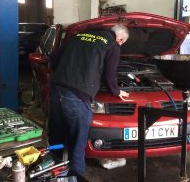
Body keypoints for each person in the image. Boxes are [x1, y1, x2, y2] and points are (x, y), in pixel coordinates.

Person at [48, 24, 130, 176]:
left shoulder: (77, 37)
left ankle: (53, 172)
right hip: (77, 96)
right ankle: (75, 176)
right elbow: (109, 75)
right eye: (121, 43)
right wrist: (116, 90)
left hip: (56, 88)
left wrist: (63, 75)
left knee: (56, 136)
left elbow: (53, 58)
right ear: (120, 39)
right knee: (78, 142)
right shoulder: (112, 45)